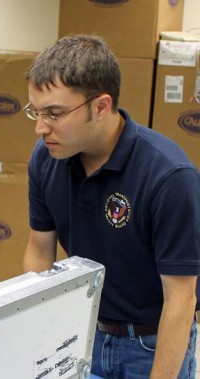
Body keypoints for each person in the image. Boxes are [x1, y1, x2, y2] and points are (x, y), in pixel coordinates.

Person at [22, 34, 200, 378]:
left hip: (151, 344)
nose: (40, 128)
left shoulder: (169, 177)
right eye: (36, 111)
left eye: (54, 113)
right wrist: (37, 341)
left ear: (101, 106)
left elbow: (181, 300)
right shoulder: (46, 158)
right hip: (79, 332)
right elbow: (39, 250)